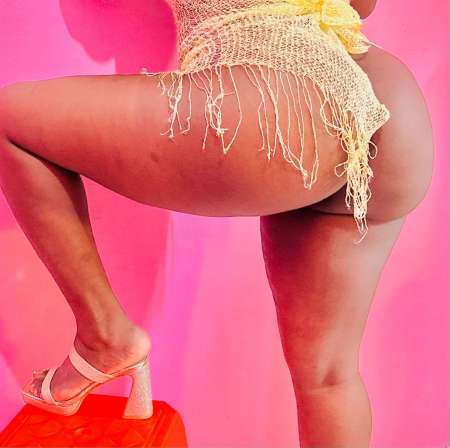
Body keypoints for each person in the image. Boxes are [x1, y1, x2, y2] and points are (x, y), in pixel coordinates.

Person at [0, 0, 433, 445]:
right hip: (386, 101)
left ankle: (104, 337)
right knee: (330, 377)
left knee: (10, 121)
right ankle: (105, 340)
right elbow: (361, 5)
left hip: (281, 84)